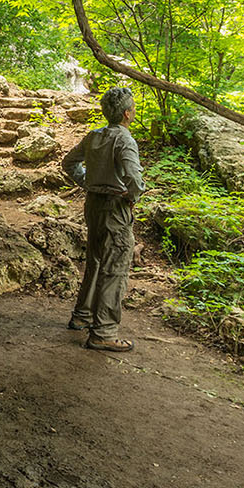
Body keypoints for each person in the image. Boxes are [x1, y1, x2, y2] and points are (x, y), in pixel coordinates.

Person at [59, 85, 145, 351]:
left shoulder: (94, 136)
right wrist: (132, 197)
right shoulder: (124, 140)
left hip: (93, 205)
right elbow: (135, 179)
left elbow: (68, 163)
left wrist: (88, 183)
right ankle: (104, 332)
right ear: (127, 114)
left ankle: (82, 316)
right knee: (115, 266)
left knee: (95, 261)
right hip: (114, 207)